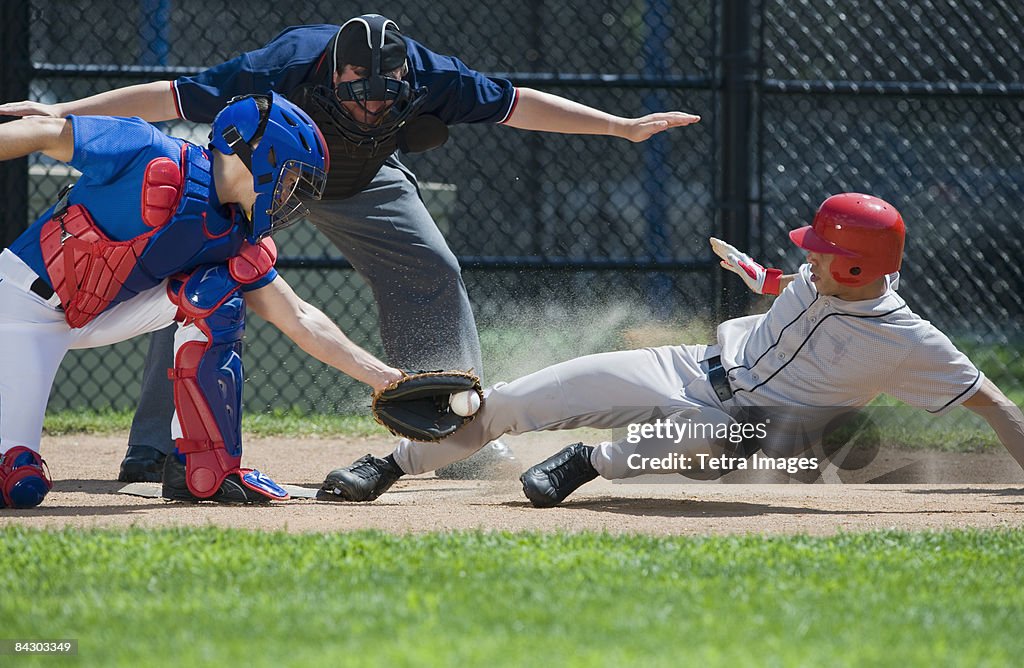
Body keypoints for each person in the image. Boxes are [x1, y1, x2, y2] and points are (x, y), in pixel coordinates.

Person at [0, 14, 702, 482]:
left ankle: (455, 435)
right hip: (272, 180)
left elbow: (521, 105)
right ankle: (154, 450)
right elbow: (173, 98)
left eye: (383, 98)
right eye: (356, 94)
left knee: (434, 268)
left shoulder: (433, 75)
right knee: (198, 274)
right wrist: (61, 114)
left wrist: (620, 127)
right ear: (330, 74)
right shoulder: (285, 64)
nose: (371, 105)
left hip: (368, 182)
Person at [318, 193, 1024, 506]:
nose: (809, 258)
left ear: (862, 272)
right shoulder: (825, 275)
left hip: (758, 430)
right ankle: (389, 466)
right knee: (515, 399)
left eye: (823, 251)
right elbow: (793, 280)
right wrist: (759, 277)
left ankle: (583, 464)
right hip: (688, 364)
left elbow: (993, 404)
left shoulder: (906, 340)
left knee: (724, 427)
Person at [0, 92, 406, 508]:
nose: (289, 195)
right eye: (288, 179)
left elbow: (299, 316)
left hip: (99, 312)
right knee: (19, 484)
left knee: (217, 292)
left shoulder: (235, 233)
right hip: (19, 310)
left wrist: (387, 379)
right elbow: (42, 131)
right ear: (261, 157)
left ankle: (203, 471)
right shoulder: (147, 151)